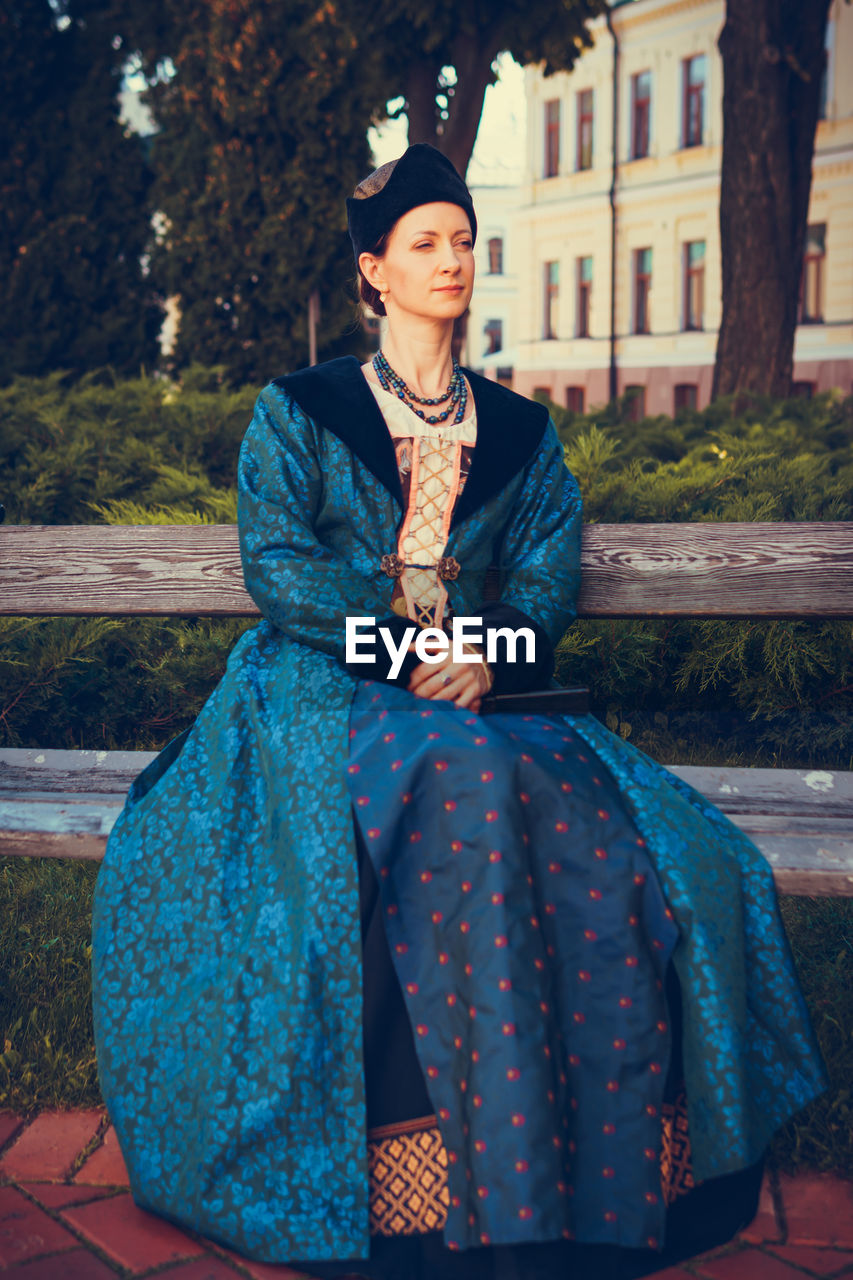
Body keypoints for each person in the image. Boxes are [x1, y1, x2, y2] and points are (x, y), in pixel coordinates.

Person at [91, 144, 826, 1280]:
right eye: (424, 243)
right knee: (468, 779)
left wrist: (482, 654)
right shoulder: (299, 413)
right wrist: (408, 642)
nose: (453, 260)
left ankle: (595, 1168)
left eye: (464, 240)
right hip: (320, 683)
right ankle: (442, 1195)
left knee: (653, 839)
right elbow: (280, 566)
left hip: (478, 688)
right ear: (373, 272)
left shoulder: (524, 436)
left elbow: (543, 582)